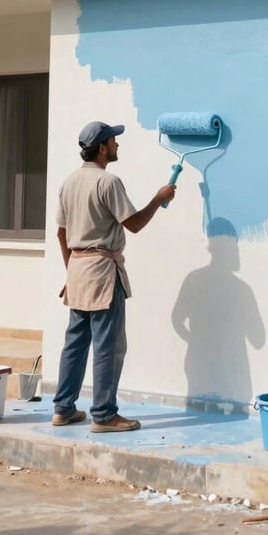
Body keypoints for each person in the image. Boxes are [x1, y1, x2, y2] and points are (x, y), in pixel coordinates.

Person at [52, 120, 176, 432]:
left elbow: (61, 234)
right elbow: (133, 224)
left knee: (75, 344)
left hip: (78, 269)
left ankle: (64, 409)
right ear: (103, 147)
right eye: (114, 141)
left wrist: (71, 272)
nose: (118, 145)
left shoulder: (69, 182)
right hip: (103, 272)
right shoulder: (108, 182)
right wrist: (158, 199)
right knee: (109, 346)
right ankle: (105, 415)